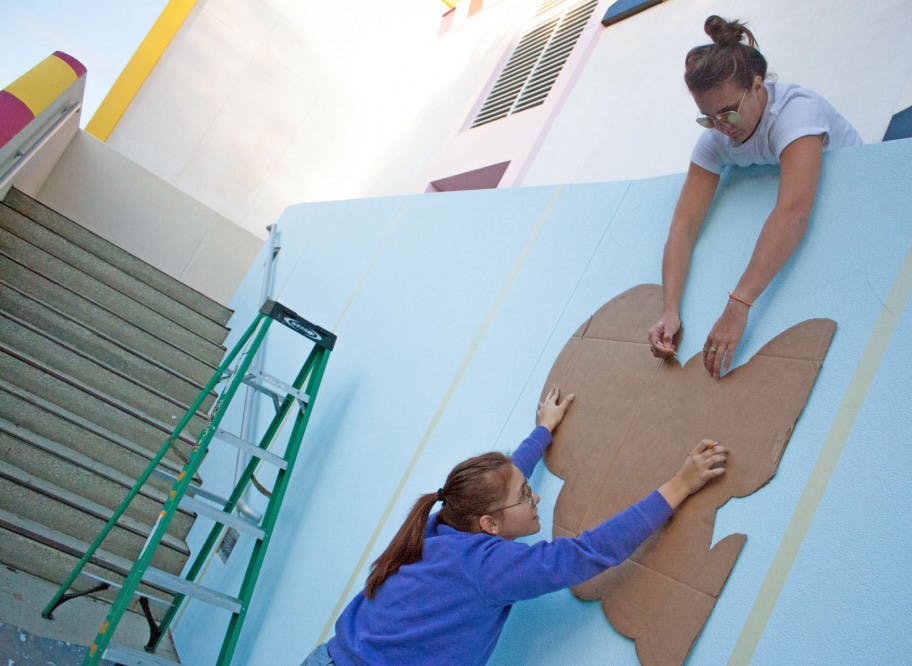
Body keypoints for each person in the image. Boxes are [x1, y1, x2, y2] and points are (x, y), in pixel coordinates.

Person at [301, 387, 728, 665]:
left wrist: (543, 430)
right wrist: (679, 485)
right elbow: (587, 553)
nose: (536, 496)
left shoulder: (445, 521)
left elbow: (505, 479)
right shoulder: (489, 567)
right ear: (488, 524)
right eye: (526, 496)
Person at [648, 15, 862, 378]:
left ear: (758, 86)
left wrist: (738, 306)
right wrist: (670, 310)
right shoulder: (717, 139)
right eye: (708, 118)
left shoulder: (796, 113)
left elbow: (792, 212)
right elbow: (682, 228)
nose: (722, 126)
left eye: (728, 111)